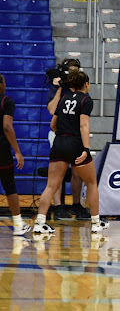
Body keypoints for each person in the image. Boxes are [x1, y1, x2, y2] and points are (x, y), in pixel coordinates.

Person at [33, 70, 109, 234]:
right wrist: (86, 149)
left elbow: (53, 124)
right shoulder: (86, 100)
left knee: (51, 185)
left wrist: (63, 133)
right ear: (86, 84)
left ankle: (40, 223)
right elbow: (84, 125)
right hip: (75, 144)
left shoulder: (63, 99)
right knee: (91, 182)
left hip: (59, 142)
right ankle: (96, 222)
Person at [47, 58, 90, 220]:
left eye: (76, 71)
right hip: (59, 133)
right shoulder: (57, 87)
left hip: (75, 134)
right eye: (70, 71)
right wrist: (60, 88)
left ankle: (77, 205)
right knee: (58, 172)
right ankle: (58, 206)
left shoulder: (81, 87)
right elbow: (52, 111)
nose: (73, 74)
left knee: (78, 172)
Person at [0, 74, 31, 235]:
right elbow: (7, 127)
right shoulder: (7, 101)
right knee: (9, 185)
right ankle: (18, 224)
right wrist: (18, 151)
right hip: (2, 149)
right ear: (0, 85)